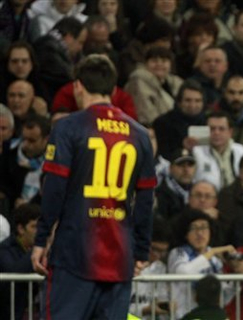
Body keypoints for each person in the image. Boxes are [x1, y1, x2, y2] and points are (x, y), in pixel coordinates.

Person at [31, 54, 156, 319]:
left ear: (77, 86)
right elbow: (146, 198)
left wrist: (41, 238)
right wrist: (141, 250)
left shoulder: (68, 127)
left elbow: (54, 188)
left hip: (74, 253)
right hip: (120, 256)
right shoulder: (140, 134)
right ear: (113, 90)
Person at [0, 203, 40, 320]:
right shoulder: (5, 250)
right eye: (34, 227)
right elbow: (14, 273)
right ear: (21, 229)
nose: (39, 231)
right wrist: (37, 249)